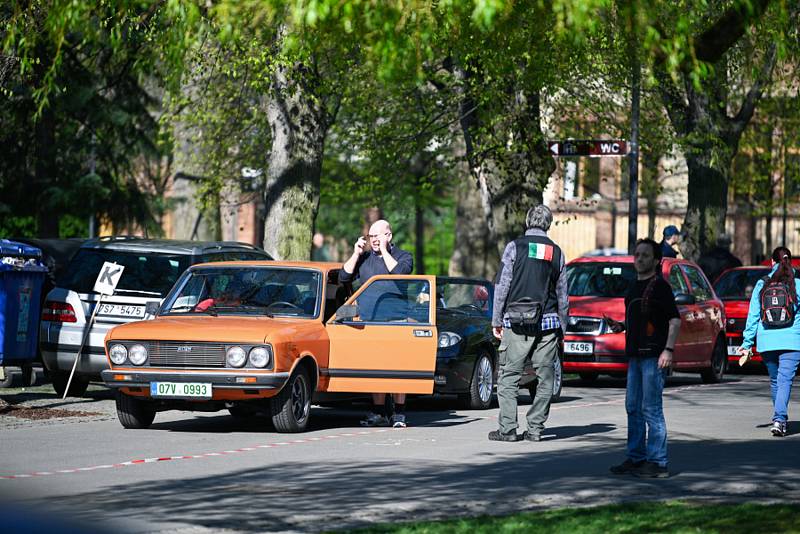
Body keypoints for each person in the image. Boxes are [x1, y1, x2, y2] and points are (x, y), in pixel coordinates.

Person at [489, 204, 568, 442]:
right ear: (548, 224)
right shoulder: (557, 252)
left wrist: (496, 319)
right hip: (549, 323)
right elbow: (563, 294)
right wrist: (562, 328)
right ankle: (535, 430)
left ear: (527, 222)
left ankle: (508, 430)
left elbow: (502, 285)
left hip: (517, 322)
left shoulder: (515, 247)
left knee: (508, 377)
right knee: (545, 379)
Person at [606, 238, 680, 478]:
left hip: (653, 357)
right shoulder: (634, 286)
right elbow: (642, 319)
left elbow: (674, 319)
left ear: (656, 260)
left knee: (651, 409)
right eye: (637, 254)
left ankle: (658, 462)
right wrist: (620, 326)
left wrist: (668, 350)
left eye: (645, 255)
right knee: (632, 407)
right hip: (635, 357)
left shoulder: (660, 286)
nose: (639, 259)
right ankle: (636, 458)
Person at [339, 219, 413, 428]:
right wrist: (356, 253)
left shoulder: (404, 256)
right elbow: (344, 277)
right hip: (370, 322)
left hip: (396, 321)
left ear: (388, 236)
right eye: (371, 236)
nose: (373, 240)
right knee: (376, 369)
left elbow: (400, 274)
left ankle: (399, 413)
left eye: (378, 236)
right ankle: (379, 412)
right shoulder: (363, 259)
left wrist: (385, 251)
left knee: (398, 369)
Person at [738, 246, 800, 437]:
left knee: (776, 381)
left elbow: (753, 316)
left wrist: (747, 343)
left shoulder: (761, 284)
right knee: (785, 380)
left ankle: (779, 419)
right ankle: (780, 419)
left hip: (767, 342)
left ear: (772, 262)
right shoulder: (797, 283)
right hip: (792, 341)